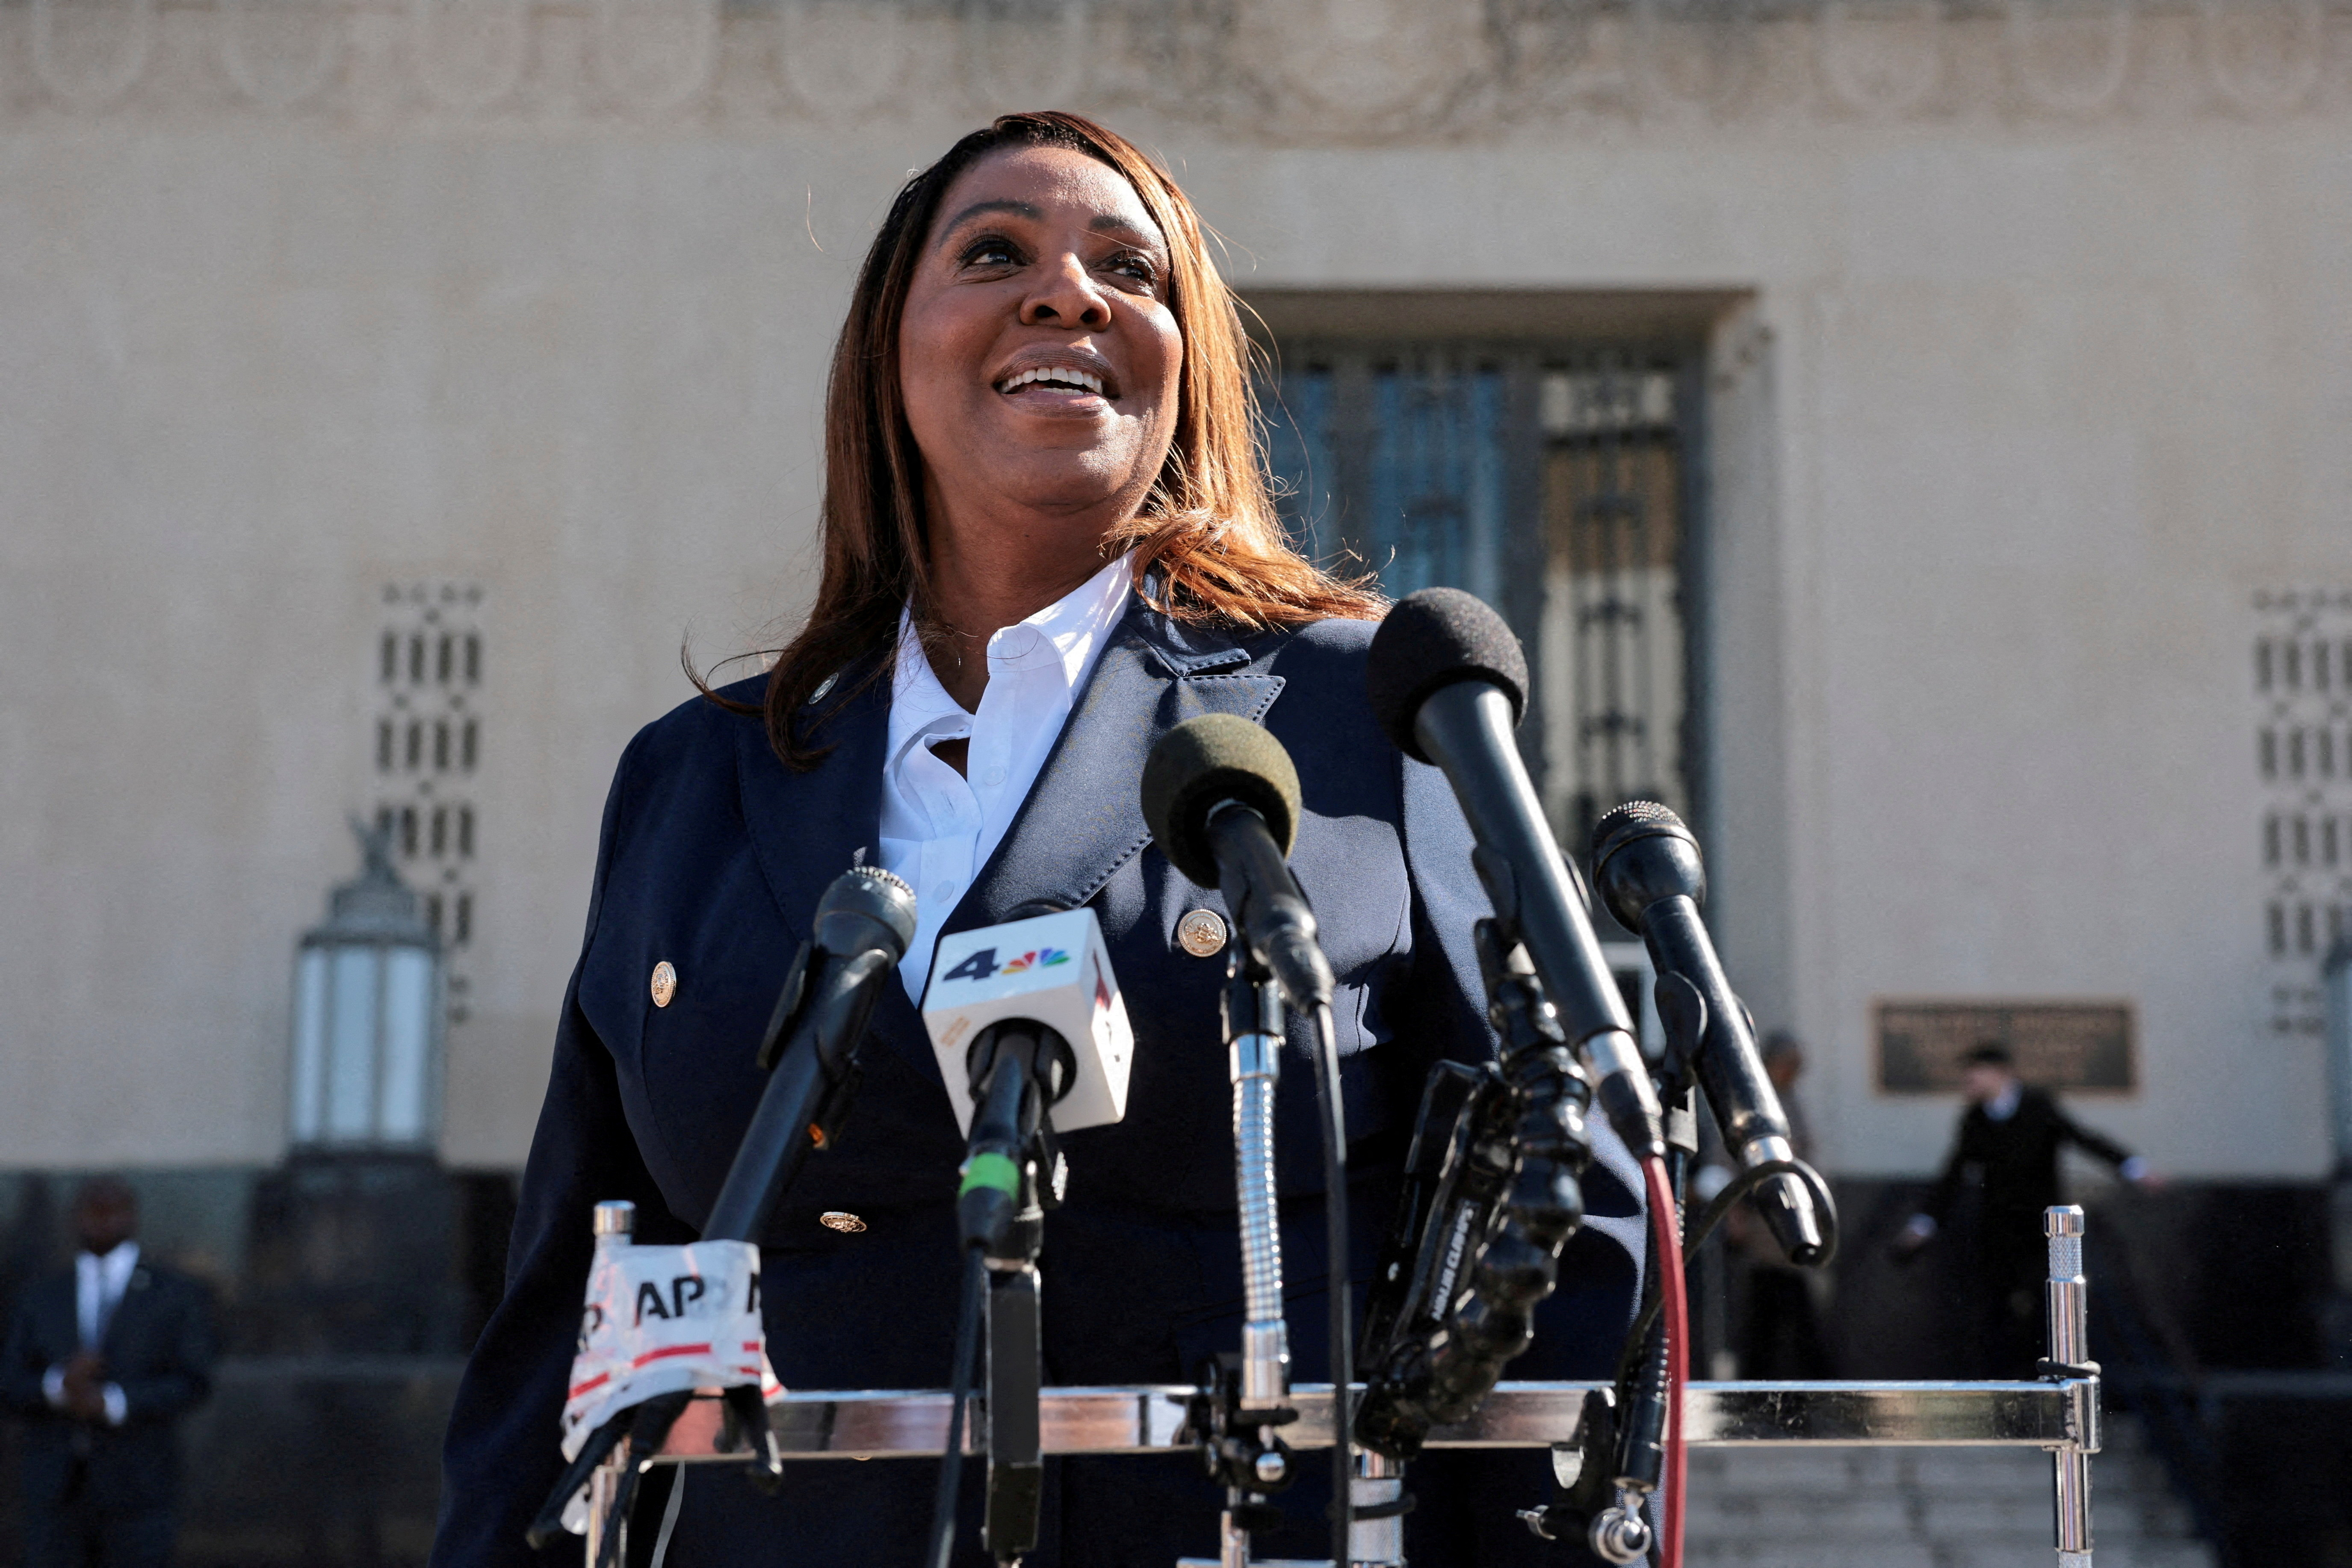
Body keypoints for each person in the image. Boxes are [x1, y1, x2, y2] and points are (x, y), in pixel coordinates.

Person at [430, 112, 1646, 1567]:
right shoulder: (696, 773)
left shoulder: (1367, 704)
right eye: (995, 252)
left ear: (1185, 357)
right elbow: (572, 1287)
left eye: (1129, 270)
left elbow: (1569, 1220)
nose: (1067, 293)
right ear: (894, 348)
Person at [1890, 1041, 2156, 1374]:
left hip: (2040, 1232)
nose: (1968, 1083)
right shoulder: (1976, 1119)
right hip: (1998, 1232)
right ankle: (2002, 1381)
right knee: (1995, 1311)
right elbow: (1954, 1175)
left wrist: (2133, 1167)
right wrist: (1924, 1223)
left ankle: (2049, 1377)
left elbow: (2083, 1138)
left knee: (2044, 1307)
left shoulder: (2037, 1107)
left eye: (1975, 1074)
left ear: (2000, 1074)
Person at [2, 1177, 216, 1568]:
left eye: (112, 1211)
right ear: (75, 1218)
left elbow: (194, 1380)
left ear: (131, 1216)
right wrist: (58, 1387)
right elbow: (10, 1380)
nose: (102, 1222)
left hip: (139, 1489)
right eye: (92, 1211)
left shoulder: (172, 1293)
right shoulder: (42, 1293)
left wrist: (113, 1401)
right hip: (54, 1491)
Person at [1720, 1032, 1832, 1379]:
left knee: (1800, 1314)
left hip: (1793, 1223)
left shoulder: (1791, 1099)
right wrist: (1735, 1215)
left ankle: (1811, 1387)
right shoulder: (1754, 1103)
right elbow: (1730, 1161)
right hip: (1763, 1227)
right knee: (1764, 1317)